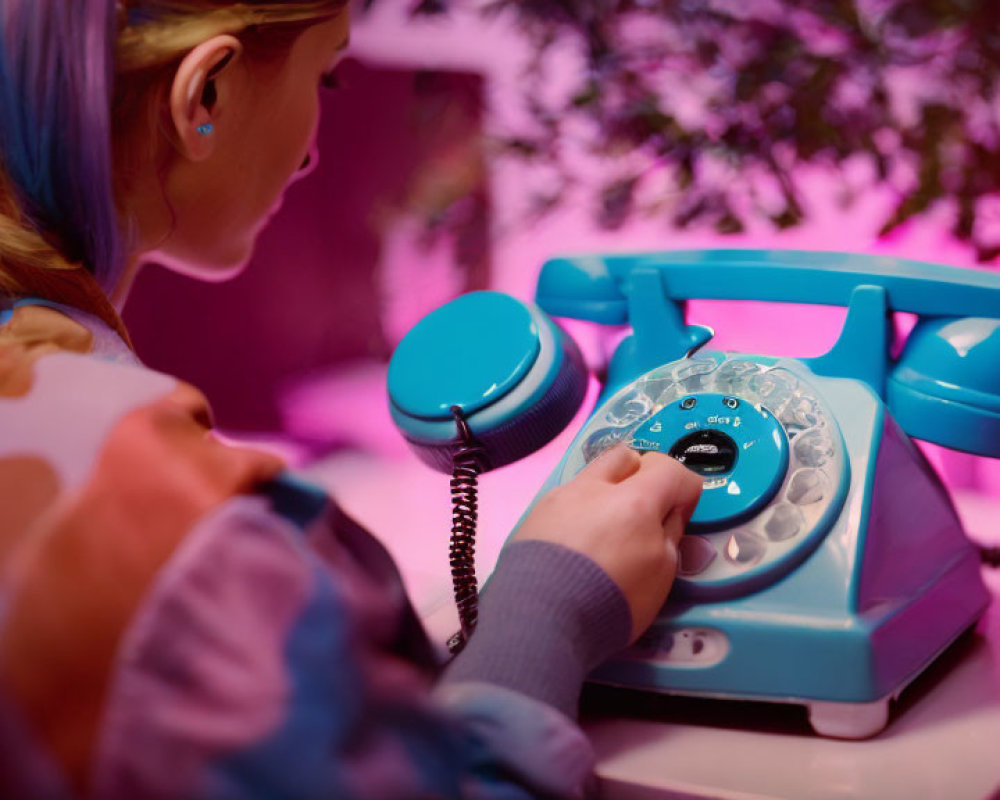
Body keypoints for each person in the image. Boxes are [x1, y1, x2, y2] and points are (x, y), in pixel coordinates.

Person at [0, 2, 703, 798]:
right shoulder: (198, 544)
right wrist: (548, 608)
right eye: (326, 74)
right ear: (206, 97)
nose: (312, 155)